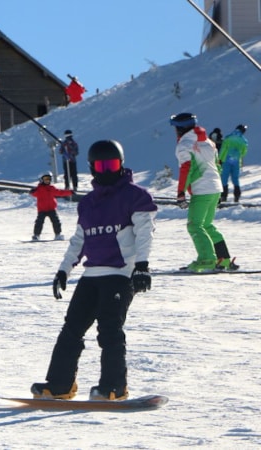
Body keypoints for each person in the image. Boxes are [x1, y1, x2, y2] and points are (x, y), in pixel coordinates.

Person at [31, 140, 157, 402]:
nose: (107, 170)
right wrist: (64, 270)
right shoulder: (87, 203)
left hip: (121, 273)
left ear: (121, 164)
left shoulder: (135, 196)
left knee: (109, 330)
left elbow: (145, 233)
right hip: (92, 275)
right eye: (101, 166)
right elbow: (79, 239)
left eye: (112, 164)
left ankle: (114, 387)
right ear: (92, 167)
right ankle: (59, 385)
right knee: (71, 329)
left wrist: (142, 266)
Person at [170, 112, 238, 272]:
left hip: (202, 189)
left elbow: (186, 168)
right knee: (206, 225)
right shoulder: (208, 142)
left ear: (180, 129)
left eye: (175, 128)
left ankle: (207, 259)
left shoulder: (185, 145)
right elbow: (217, 165)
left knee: (195, 226)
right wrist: (218, 189)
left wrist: (181, 193)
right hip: (215, 188)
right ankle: (224, 260)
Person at [30, 173, 73, 241]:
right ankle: (36, 235)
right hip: (42, 209)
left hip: (51, 209)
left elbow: (60, 192)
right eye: (45, 179)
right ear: (41, 180)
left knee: (56, 221)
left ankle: (57, 234)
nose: (47, 181)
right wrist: (32, 191)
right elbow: (33, 194)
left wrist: (70, 192)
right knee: (39, 222)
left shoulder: (51, 188)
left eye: (49, 179)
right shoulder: (39, 189)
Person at [218, 124, 249, 203]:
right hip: (236, 161)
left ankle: (224, 196)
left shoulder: (228, 137)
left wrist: (220, 159)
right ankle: (237, 195)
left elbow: (223, 149)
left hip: (226, 160)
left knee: (224, 178)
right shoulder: (244, 140)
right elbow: (244, 152)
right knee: (235, 179)